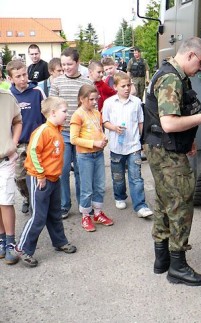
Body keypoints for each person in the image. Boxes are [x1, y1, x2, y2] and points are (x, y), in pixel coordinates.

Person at [143, 37, 201, 286]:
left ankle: (162, 259)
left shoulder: (172, 73)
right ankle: (177, 266)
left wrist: (188, 140)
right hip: (166, 150)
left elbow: (173, 116)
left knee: (165, 201)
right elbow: (169, 123)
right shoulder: (171, 78)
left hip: (163, 147)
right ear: (190, 55)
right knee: (180, 204)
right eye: (200, 63)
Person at [16, 97, 77, 267]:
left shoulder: (57, 130)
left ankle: (59, 242)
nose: (66, 114)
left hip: (53, 179)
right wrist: (41, 175)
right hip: (40, 180)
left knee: (54, 214)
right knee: (38, 216)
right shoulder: (43, 131)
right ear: (52, 113)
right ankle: (23, 248)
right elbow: (33, 152)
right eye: (64, 111)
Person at [50, 48, 93, 219]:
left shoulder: (86, 83)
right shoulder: (57, 83)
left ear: (77, 62)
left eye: (69, 64)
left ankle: (84, 205)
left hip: (82, 135)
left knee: (82, 171)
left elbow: (92, 107)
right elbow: (51, 109)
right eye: (63, 64)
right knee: (63, 171)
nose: (66, 67)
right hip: (63, 134)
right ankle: (64, 205)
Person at [102, 71, 153, 218]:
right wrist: (114, 128)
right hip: (116, 147)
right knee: (118, 176)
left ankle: (141, 206)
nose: (126, 88)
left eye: (129, 85)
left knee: (136, 176)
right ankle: (120, 196)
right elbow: (105, 121)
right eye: (123, 86)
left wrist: (142, 141)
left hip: (133, 146)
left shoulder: (136, 102)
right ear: (115, 87)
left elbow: (141, 122)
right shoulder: (109, 103)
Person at [70, 84, 112, 232]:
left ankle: (98, 213)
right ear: (82, 99)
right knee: (87, 188)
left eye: (96, 99)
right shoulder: (77, 115)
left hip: (98, 154)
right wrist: (94, 143)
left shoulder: (96, 113)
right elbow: (74, 139)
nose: (95, 102)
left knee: (100, 185)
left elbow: (99, 130)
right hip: (85, 156)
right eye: (92, 99)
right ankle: (86, 215)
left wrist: (103, 138)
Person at [6, 59, 46, 215]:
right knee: (19, 177)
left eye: (24, 74)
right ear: (10, 79)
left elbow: (46, 114)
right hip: (18, 143)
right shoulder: (8, 96)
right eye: (18, 76)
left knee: (40, 174)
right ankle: (27, 197)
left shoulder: (37, 92)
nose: (23, 79)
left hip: (37, 141)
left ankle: (39, 202)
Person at [0, 89, 22, 265]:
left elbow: (17, 121)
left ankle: (10, 242)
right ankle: (1, 239)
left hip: (4, 160)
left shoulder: (7, 97)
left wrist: (13, 143)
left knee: (6, 201)